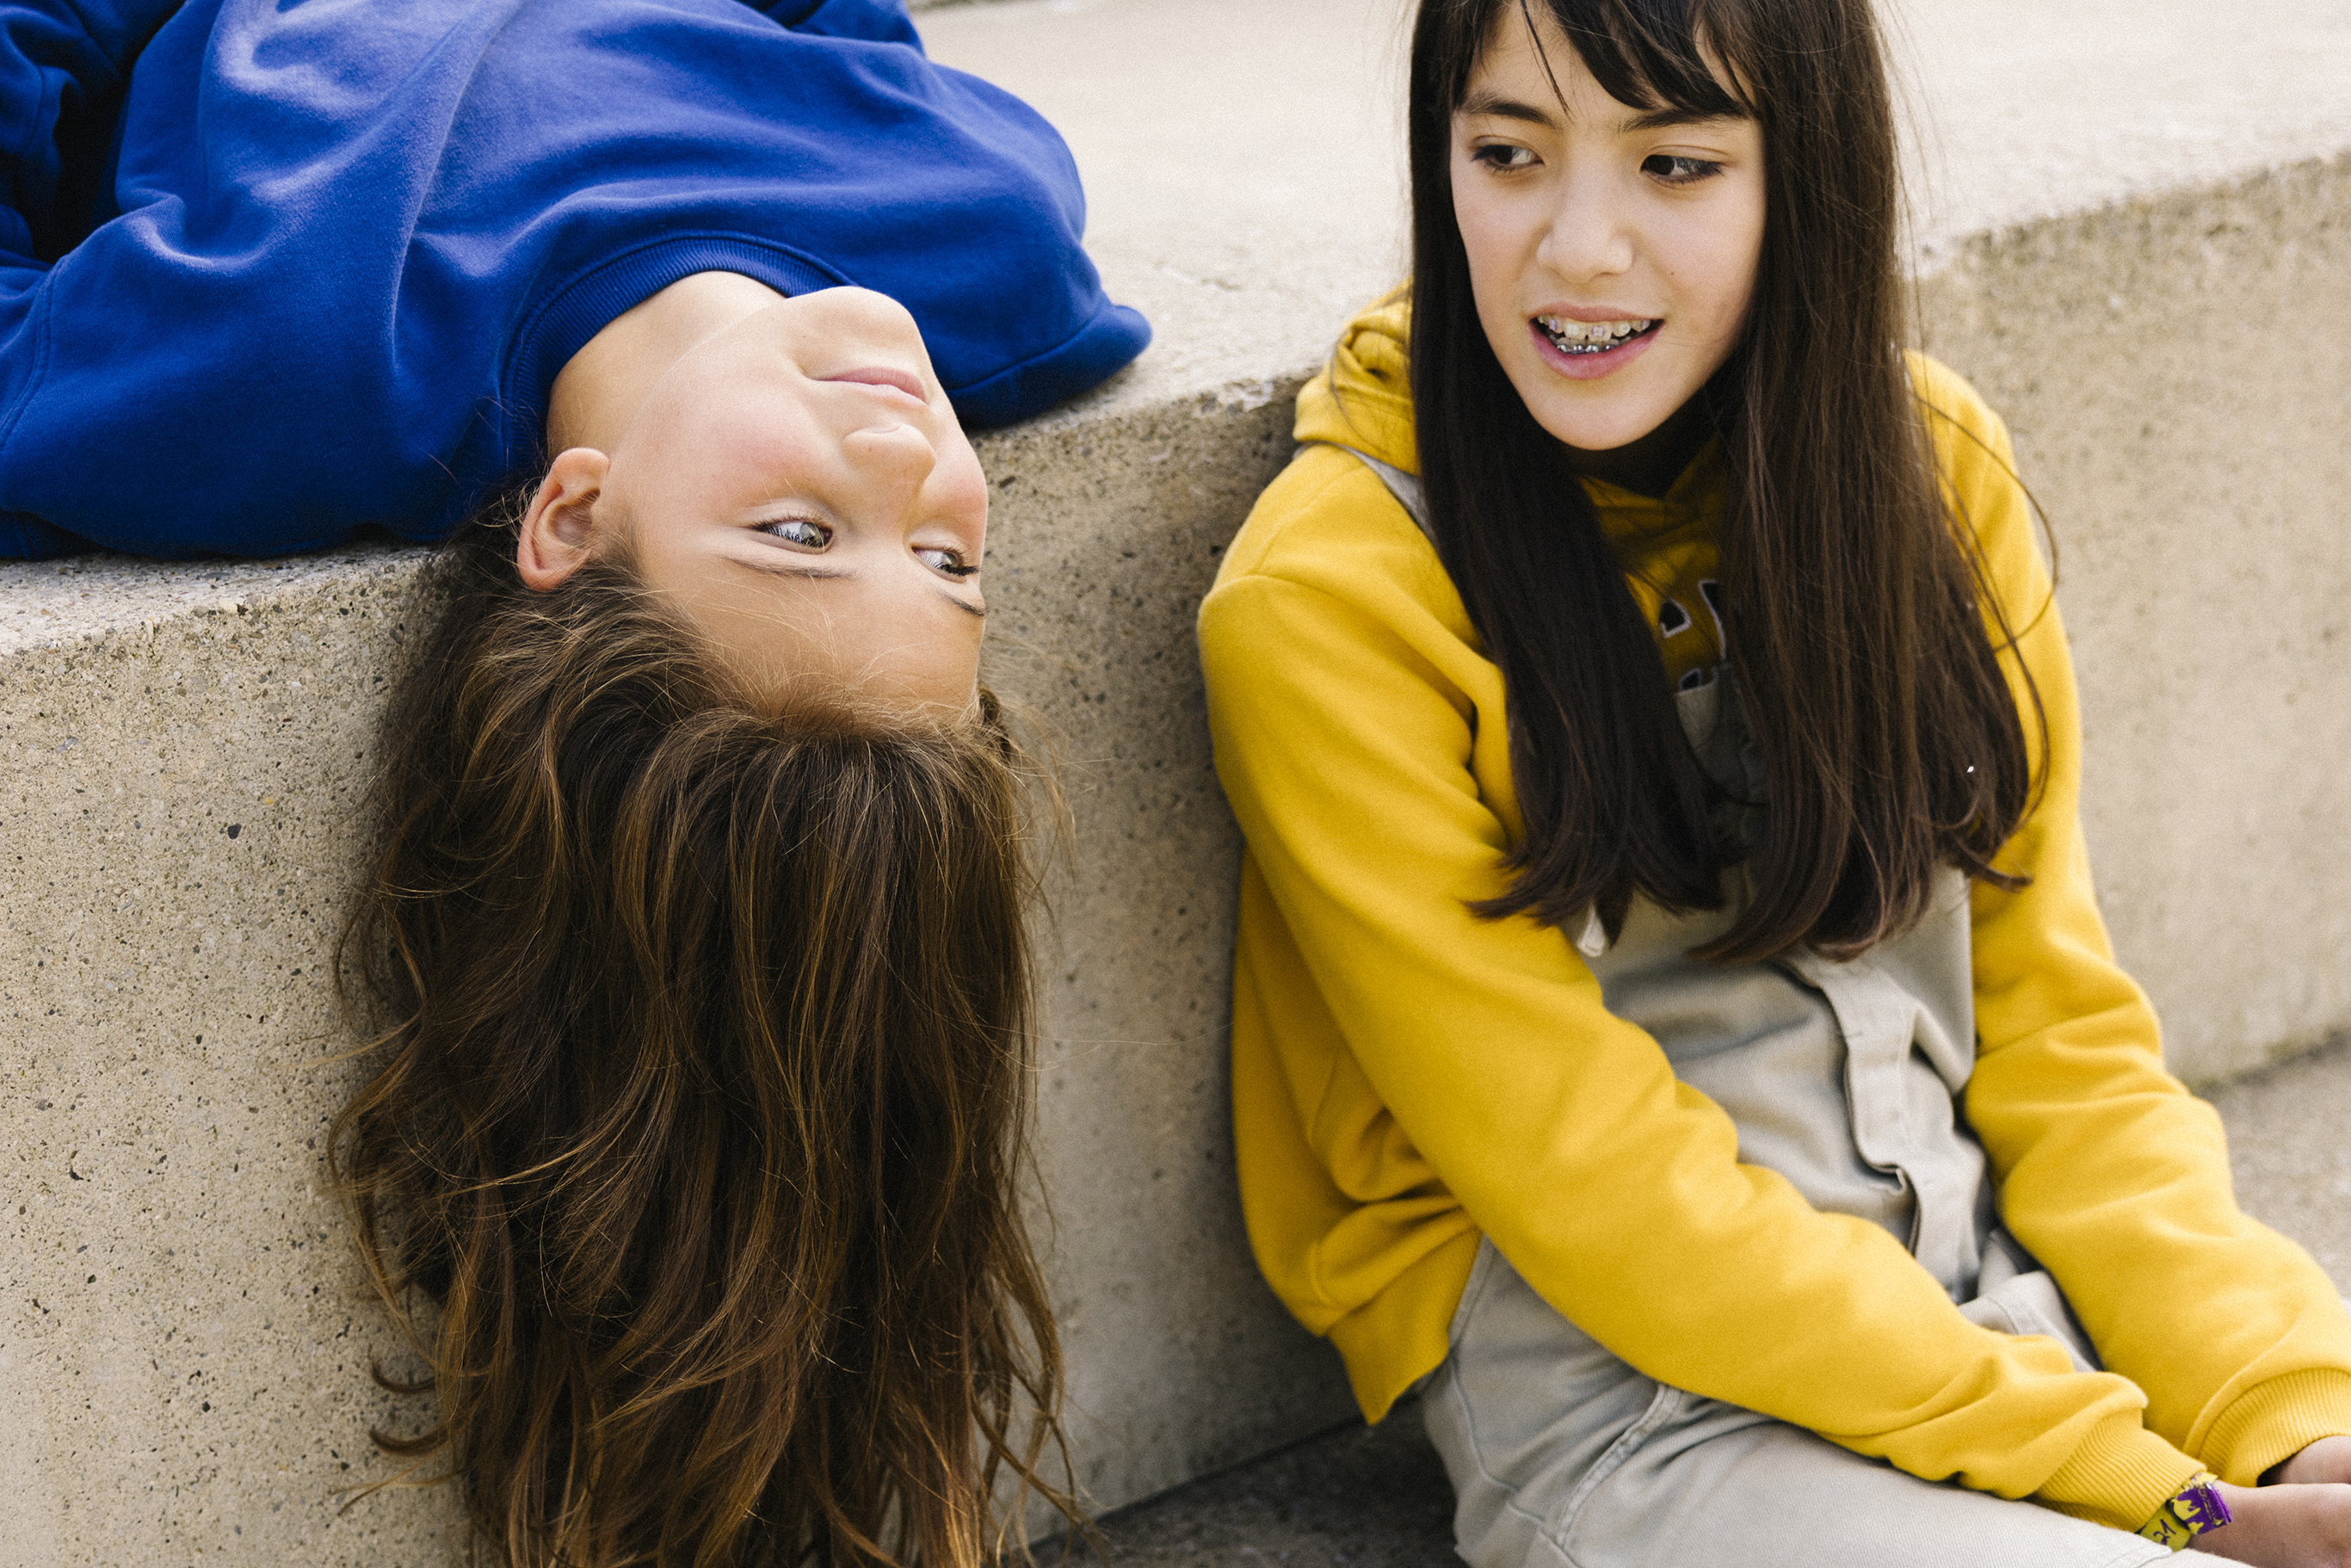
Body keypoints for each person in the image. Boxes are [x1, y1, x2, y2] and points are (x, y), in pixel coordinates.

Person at [1195, 2, 2351, 1565]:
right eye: (1506, 154)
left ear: (1804, 177)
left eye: (1674, 161)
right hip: (1641, 1407)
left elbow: (2063, 1045)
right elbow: (1606, 1197)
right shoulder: (1335, 598)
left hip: (1998, 1309)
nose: (1578, 247)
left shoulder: (1934, 473)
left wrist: (2286, 1411)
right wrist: (2153, 1494)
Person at [1, 0, 1148, 1560]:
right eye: (949, 559)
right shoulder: (997, 258)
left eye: (799, 534)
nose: (903, 460)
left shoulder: (295, 357)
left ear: (567, 521)